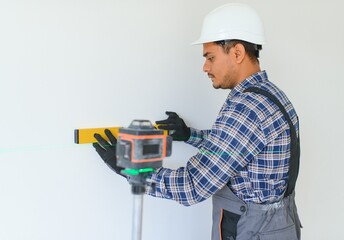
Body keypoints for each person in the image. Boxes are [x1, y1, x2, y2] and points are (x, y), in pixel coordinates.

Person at [93, 3, 302, 240]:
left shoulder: (247, 108)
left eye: (210, 57)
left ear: (237, 53)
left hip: (253, 231)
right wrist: (188, 134)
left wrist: (132, 170)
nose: (205, 67)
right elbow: (237, 149)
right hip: (278, 228)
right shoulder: (272, 95)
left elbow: (193, 186)